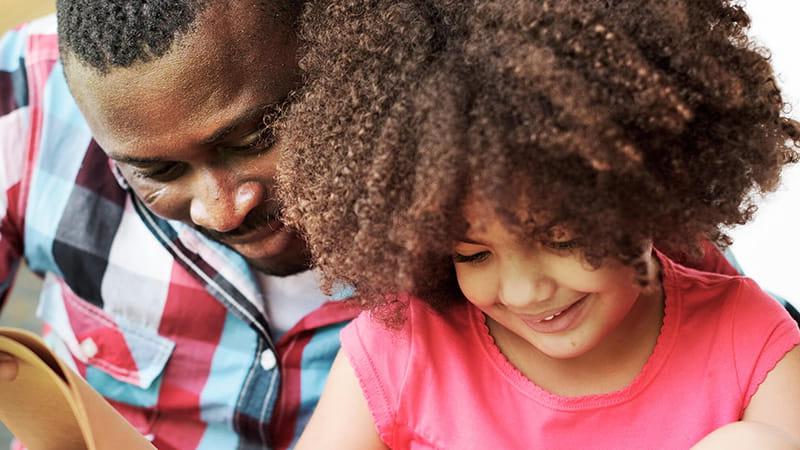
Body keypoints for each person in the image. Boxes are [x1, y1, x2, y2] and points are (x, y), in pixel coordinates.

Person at [275, 0, 800, 448]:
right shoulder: (405, 346)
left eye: (561, 238)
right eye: (473, 254)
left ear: (646, 188)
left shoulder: (751, 347)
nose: (524, 291)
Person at [0, 1, 356, 448]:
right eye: (160, 173)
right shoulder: (27, 94)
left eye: (255, 139)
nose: (223, 211)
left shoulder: (448, 147)